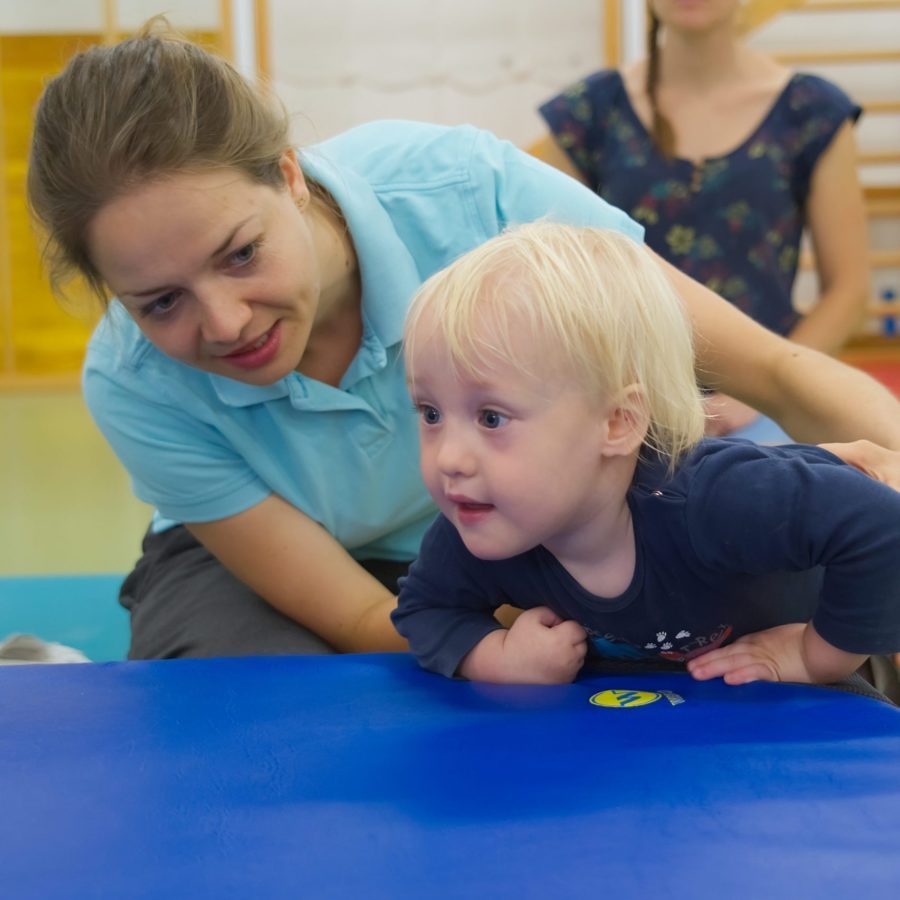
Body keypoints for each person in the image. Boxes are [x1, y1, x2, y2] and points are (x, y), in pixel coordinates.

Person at [26, 20, 900, 661]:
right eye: (160, 302)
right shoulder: (131, 378)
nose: (224, 323)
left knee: (778, 638)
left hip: (547, 515)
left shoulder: (465, 190)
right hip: (300, 555)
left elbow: (779, 369)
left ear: (288, 175)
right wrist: (516, 638)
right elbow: (366, 620)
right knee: (255, 706)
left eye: (241, 254)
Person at [392, 222, 900, 690]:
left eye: (491, 418)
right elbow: (425, 607)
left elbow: (880, 525)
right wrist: (498, 656)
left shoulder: (716, 499)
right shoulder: (482, 519)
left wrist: (817, 656)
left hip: (845, 625)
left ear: (616, 422)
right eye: (431, 414)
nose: (450, 459)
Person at [537, 0, 870, 441]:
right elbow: (551, 272)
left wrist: (767, 388)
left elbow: (849, 292)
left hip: (764, 399)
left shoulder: (811, 112)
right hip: (621, 396)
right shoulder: (588, 113)